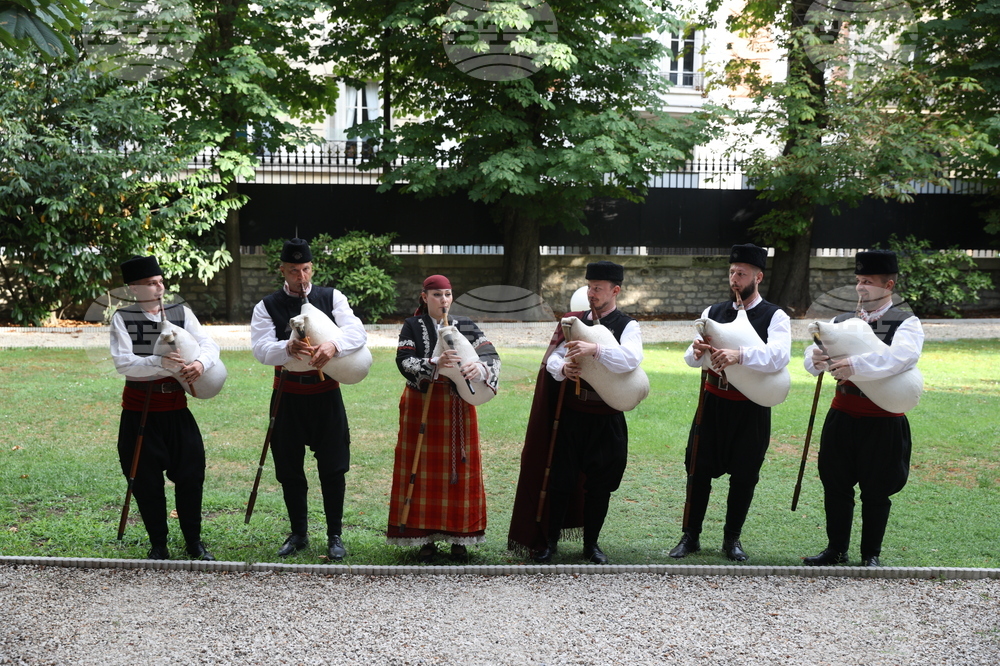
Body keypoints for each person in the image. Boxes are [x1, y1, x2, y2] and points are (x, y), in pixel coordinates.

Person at [507, 260, 643, 565]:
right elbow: (552, 359)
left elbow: (631, 360)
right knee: (561, 479)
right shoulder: (572, 321)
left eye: (598, 288)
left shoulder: (627, 325)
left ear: (615, 290)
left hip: (606, 417)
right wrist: (563, 367)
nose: (591, 293)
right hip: (571, 415)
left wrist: (595, 350)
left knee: (600, 484)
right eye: (589, 287)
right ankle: (550, 542)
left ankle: (591, 545)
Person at [669, 243, 791, 562]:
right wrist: (695, 353)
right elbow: (691, 356)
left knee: (745, 474)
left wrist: (742, 355)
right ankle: (690, 536)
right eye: (732, 272)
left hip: (750, 407)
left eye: (742, 273)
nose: (734, 278)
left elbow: (779, 356)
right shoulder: (713, 312)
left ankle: (732, 539)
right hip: (714, 403)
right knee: (697, 468)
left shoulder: (774, 315)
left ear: (758, 276)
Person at [802, 249, 923, 568]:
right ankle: (836, 549)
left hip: (882, 421)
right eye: (858, 280)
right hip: (842, 415)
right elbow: (811, 354)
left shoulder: (906, 323)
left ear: (889, 285)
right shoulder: (841, 321)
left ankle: (871, 554)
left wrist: (854, 364)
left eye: (868, 281)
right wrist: (814, 359)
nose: (860, 287)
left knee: (876, 489)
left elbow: (901, 359)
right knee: (836, 483)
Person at [249, 238, 367, 561]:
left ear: (311, 267)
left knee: (333, 466)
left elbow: (358, 332)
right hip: (287, 396)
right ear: (282, 270)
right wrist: (285, 349)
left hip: (326, 395)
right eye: (293, 270)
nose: (300, 277)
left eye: (304, 269)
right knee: (289, 468)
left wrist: (335, 346)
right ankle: (299, 533)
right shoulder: (268, 306)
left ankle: (335, 535)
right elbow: (260, 348)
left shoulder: (331, 297)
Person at [111, 255, 218, 561]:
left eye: (160, 282)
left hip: (175, 409)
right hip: (139, 411)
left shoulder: (180, 313)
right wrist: (158, 362)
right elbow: (124, 362)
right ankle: (158, 543)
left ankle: (194, 542)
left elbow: (209, 344)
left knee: (190, 473)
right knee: (144, 480)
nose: (158, 288)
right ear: (134, 289)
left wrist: (200, 363)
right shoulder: (123, 318)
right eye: (150, 283)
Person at [386, 275, 500, 562]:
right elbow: (404, 360)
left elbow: (491, 355)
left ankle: (459, 537)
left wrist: (479, 368)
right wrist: (434, 364)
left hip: (457, 404)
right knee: (420, 471)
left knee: (459, 472)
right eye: (437, 295)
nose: (444, 300)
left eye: (448, 294)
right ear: (424, 297)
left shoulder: (467, 325)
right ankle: (424, 537)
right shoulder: (412, 325)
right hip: (421, 403)